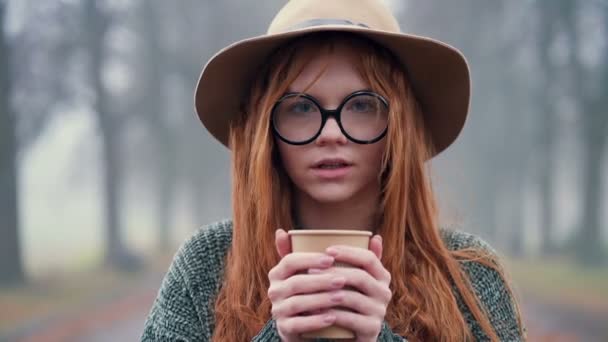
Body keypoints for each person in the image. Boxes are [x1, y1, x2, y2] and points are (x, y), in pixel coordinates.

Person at [141, 0, 526, 341]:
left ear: (400, 127)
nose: (329, 133)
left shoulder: (469, 275)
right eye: (301, 107)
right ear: (264, 130)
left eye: (361, 106)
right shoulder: (206, 266)